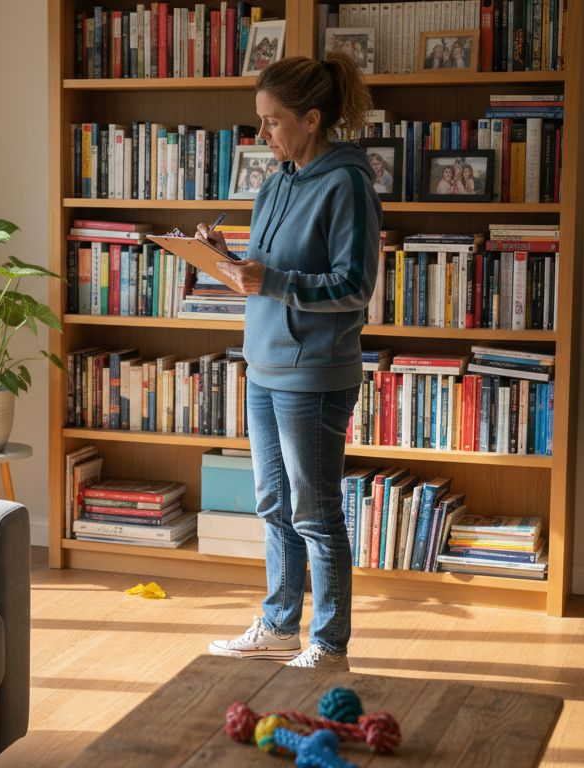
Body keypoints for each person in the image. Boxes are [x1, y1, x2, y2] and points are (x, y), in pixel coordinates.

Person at [197, 50, 381, 670]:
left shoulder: (347, 182)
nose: (262, 135)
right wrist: (224, 258)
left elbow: (353, 285)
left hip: (315, 372)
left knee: (316, 510)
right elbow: (267, 275)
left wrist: (270, 279)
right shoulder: (275, 182)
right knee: (274, 504)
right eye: (259, 122)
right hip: (264, 363)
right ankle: (279, 626)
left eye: (272, 122)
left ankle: (328, 645)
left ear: (310, 118)